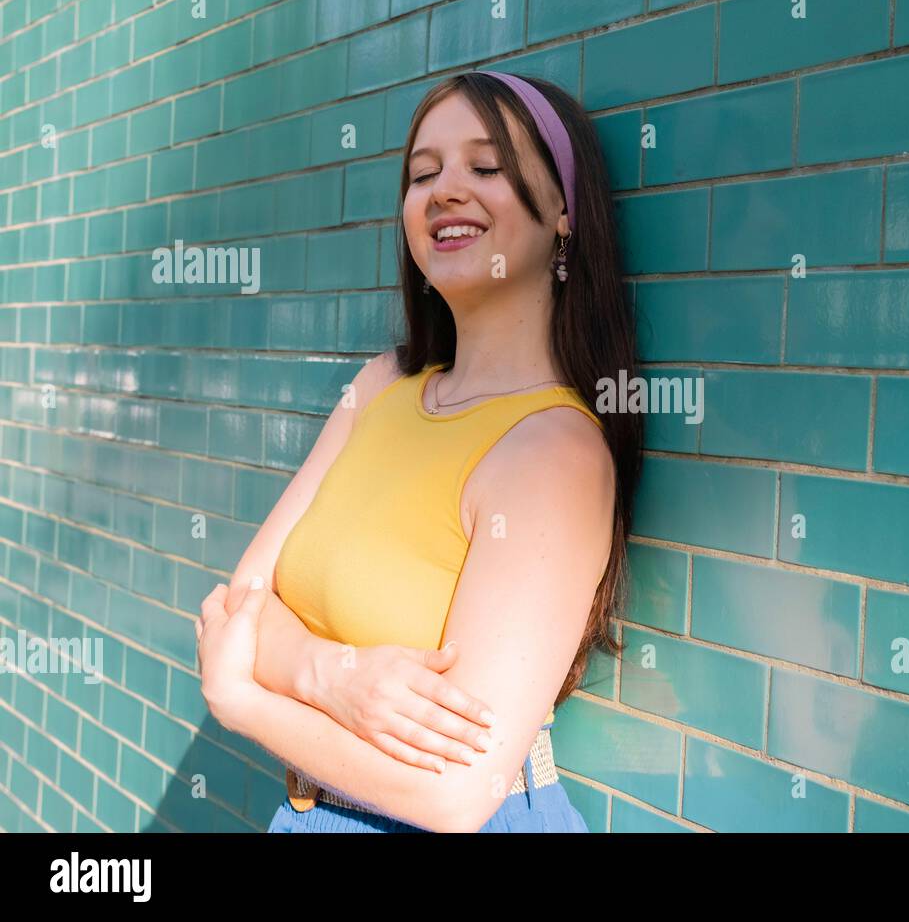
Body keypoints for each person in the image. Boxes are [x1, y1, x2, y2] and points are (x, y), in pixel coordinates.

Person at [194, 71, 643, 833]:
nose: (444, 192)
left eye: (486, 167)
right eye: (423, 174)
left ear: (564, 213)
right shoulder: (379, 389)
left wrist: (245, 700)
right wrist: (331, 676)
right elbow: (236, 609)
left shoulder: (553, 450)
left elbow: (454, 794)